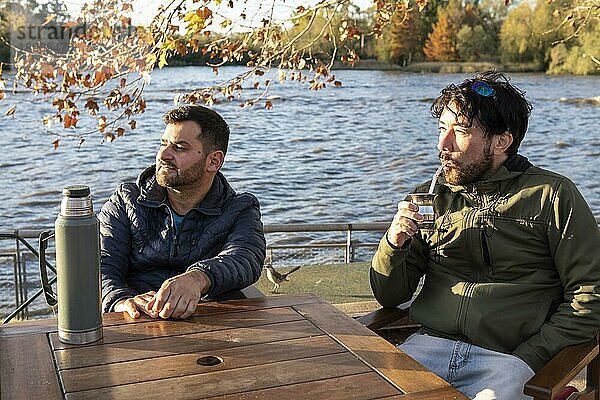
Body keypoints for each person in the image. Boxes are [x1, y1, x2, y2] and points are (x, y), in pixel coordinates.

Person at [370, 71, 600, 399]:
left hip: (508, 357)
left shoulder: (553, 195)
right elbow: (390, 296)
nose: (442, 145)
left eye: (460, 131)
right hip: (426, 346)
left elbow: (590, 294)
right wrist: (394, 244)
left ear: (501, 141)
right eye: (441, 129)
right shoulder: (429, 198)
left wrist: (532, 356)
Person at [100, 105, 266, 320]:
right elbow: (102, 264)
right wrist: (121, 301)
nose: (164, 155)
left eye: (179, 147)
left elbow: (245, 256)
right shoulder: (126, 200)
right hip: (135, 322)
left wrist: (197, 278)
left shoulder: (240, 208)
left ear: (213, 161)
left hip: (209, 323)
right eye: (163, 144)